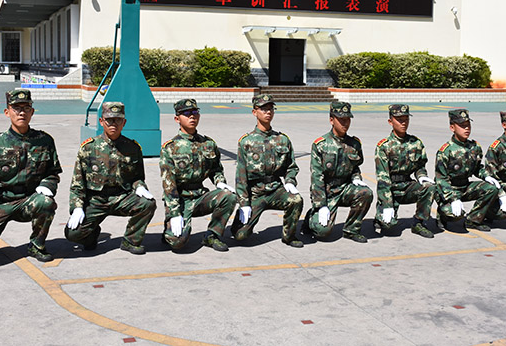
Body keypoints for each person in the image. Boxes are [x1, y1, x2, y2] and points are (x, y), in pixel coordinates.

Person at [0, 89, 62, 262]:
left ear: (32, 112)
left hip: (29, 200)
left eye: (26, 108)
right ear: (7, 112)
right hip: (1, 202)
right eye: (16, 108)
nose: (22, 112)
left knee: (46, 202)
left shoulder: (44, 141)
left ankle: (37, 245)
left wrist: (47, 185)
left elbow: (52, 172)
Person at [65, 102, 156, 254]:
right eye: (109, 120)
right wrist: (77, 207)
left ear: (124, 122)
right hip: (96, 200)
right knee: (73, 233)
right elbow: (77, 184)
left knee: (148, 204)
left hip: (122, 197)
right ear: (101, 121)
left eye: (118, 120)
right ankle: (91, 235)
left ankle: (130, 241)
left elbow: (137, 177)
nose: (113, 124)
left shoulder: (132, 148)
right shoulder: (88, 148)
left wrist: (140, 186)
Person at [159, 99, 238, 251]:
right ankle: (169, 227)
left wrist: (219, 181)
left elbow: (216, 169)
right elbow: (169, 185)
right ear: (177, 119)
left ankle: (212, 235)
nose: (192, 116)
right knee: (177, 243)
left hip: (200, 197)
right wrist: (174, 213)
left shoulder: (208, 144)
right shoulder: (170, 148)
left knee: (229, 196)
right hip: (180, 199)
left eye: (195, 112)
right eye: (186, 113)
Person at [231, 94, 304, 248]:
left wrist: (290, 181)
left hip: (276, 190)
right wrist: (244, 203)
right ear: (254, 112)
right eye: (263, 109)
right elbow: (241, 176)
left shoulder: (282, 139)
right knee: (240, 235)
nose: (268, 112)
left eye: (271, 108)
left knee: (296, 200)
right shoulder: (246, 141)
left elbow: (291, 166)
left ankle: (289, 236)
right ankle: (239, 224)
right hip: (255, 193)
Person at [302, 101, 373, 243]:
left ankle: (351, 230)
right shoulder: (321, 145)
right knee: (322, 232)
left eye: (347, 119)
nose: (345, 123)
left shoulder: (354, 144)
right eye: (341, 119)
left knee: (366, 193)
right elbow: (317, 177)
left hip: (345, 188)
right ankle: (310, 218)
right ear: (331, 120)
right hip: (327, 191)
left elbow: (355, 167)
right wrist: (320, 205)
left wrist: (356, 178)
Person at [434, 109, 505, 232]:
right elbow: (441, 180)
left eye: (468, 125)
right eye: (462, 125)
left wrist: (486, 176)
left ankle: (473, 220)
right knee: (453, 214)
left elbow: (477, 168)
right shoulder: (446, 151)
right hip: (450, 189)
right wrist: (453, 198)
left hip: (465, 187)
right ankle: (442, 215)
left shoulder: (474, 147)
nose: (466, 128)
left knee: (491, 189)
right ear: (452, 127)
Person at [374, 104, 435, 238]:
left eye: (406, 119)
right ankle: (380, 217)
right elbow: (383, 178)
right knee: (388, 228)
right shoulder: (384, 146)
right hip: (391, 189)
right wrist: (387, 204)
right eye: (399, 119)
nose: (403, 123)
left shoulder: (416, 143)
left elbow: (419, 166)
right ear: (390, 122)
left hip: (407, 186)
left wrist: (422, 176)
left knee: (429, 187)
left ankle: (419, 223)